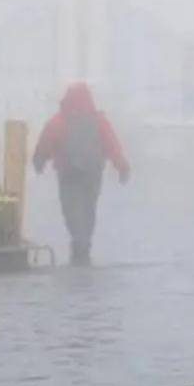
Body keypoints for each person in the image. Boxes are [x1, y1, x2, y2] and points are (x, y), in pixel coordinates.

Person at [33, 83, 129, 266]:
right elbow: (112, 145)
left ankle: (79, 241)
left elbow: (46, 142)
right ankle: (84, 243)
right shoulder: (99, 121)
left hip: (68, 174)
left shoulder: (59, 121)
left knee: (71, 209)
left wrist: (39, 161)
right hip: (93, 174)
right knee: (88, 208)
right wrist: (122, 166)